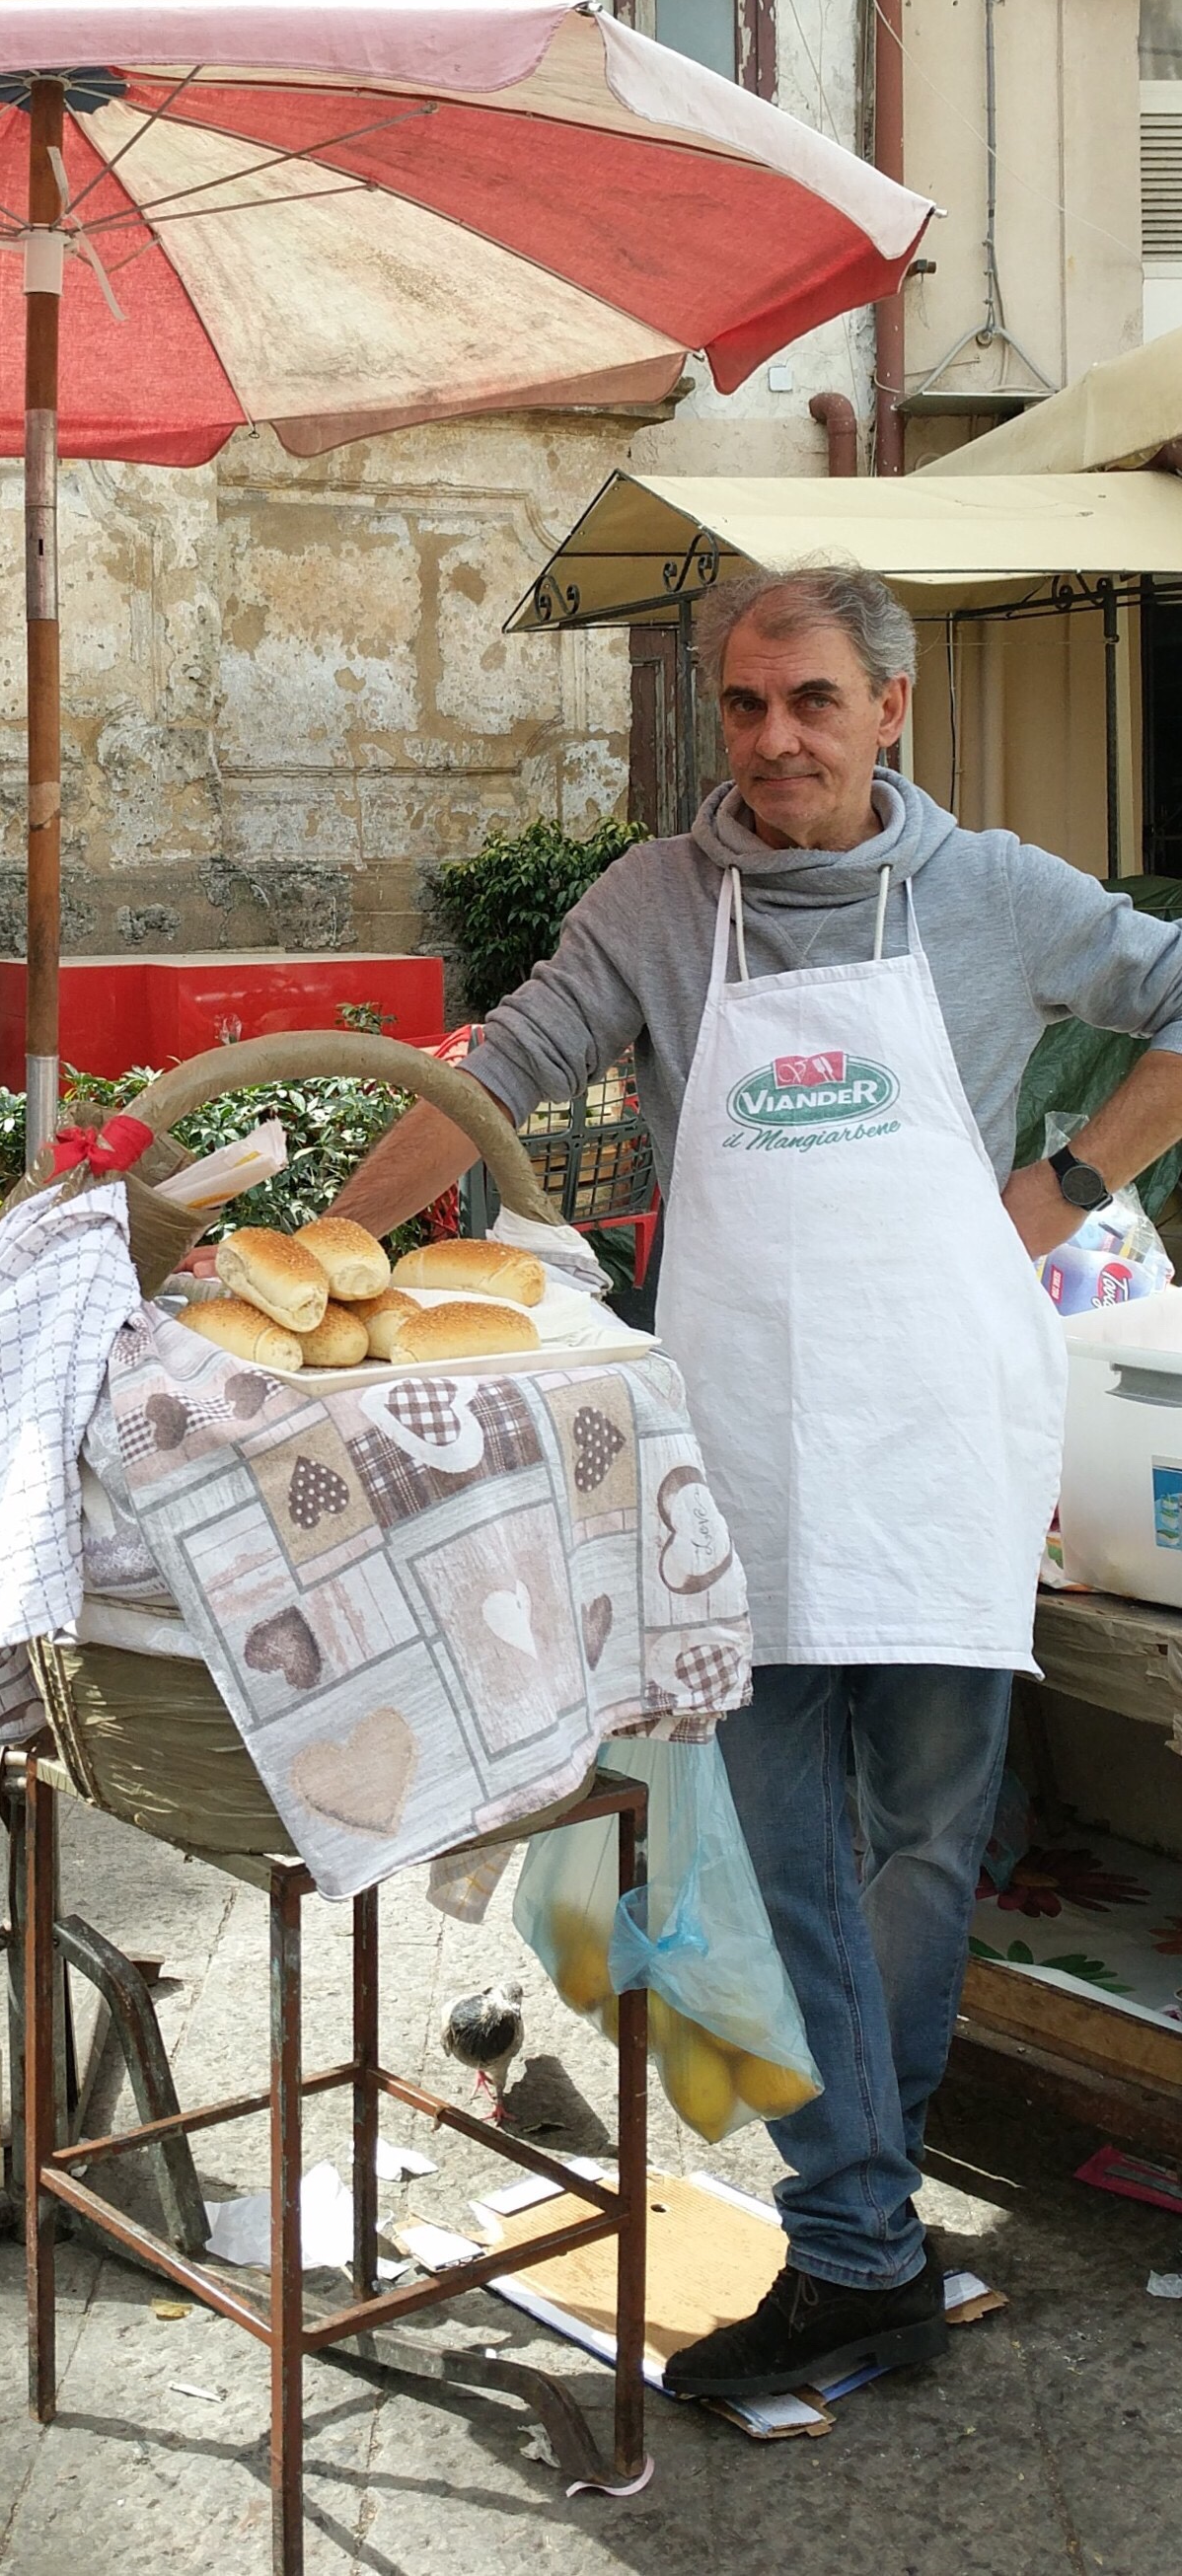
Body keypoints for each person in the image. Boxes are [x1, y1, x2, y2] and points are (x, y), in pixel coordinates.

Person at [331, 563, 1182, 2400]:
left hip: (945, 1434)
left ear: (892, 708)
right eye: (742, 706)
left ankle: (863, 2214)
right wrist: (324, 1243)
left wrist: (1073, 1189)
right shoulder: (657, 901)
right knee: (788, 1839)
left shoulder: (996, 892)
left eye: (810, 701)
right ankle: (867, 2233)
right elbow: (499, 1081)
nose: (773, 738)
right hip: (745, 1443)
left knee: (929, 1834)